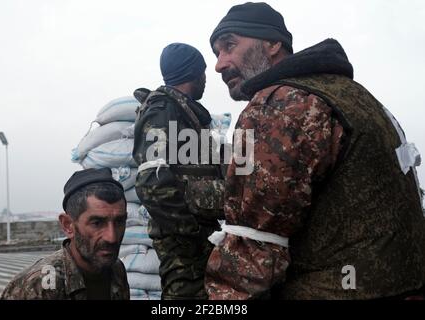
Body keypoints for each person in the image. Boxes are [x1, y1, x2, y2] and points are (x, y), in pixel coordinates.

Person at [205, 2, 425, 300]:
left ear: (272, 43)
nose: (220, 63)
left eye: (229, 46)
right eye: (217, 53)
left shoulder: (279, 103)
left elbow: (251, 250)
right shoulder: (354, 96)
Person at [133, 43, 225, 300]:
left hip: (196, 235)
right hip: (182, 242)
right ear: (194, 73)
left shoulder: (183, 111)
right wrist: (189, 233)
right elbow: (152, 184)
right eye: (203, 72)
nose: (206, 79)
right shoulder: (162, 110)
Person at [1, 168, 130, 300]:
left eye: (119, 222)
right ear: (68, 225)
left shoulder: (116, 269)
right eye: (97, 223)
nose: (112, 237)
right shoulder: (39, 285)